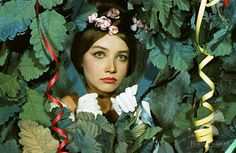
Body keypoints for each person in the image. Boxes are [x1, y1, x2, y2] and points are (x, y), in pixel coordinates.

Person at [60, 0, 150, 124]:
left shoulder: (135, 110)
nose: (111, 68)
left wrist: (139, 124)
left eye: (121, 57)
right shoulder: (61, 109)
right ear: (81, 57)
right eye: (99, 54)